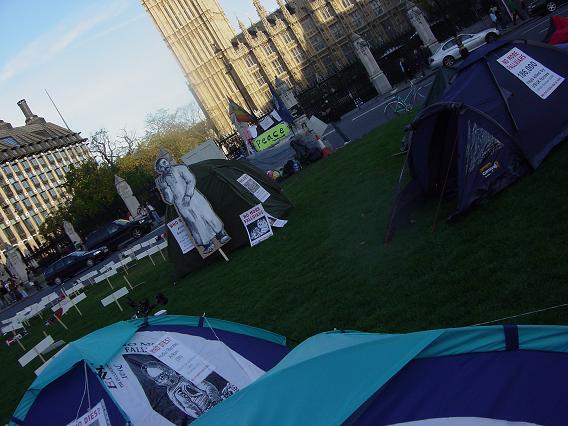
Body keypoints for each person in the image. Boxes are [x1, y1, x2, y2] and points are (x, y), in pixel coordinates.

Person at [155, 157, 230, 255]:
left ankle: (221, 234)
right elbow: (170, 200)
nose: (164, 167)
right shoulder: (162, 181)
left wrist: (188, 195)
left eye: (164, 163)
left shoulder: (180, 168)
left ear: (167, 162)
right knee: (194, 223)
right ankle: (206, 244)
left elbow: (191, 180)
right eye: (161, 167)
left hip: (194, 197)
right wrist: (165, 188)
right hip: (181, 205)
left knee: (207, 214)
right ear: (159, 170)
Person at [141, 360, 236, 419]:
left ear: (170, 370)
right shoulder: (172, 393)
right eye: (161, 377)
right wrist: (201, 416)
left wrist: (214, 398)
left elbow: (206, 386)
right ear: (158, 382)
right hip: (206, 412)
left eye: (166, 373)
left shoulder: (185, 377)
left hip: (215, 400)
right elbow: (186, 407)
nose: (167, 378)